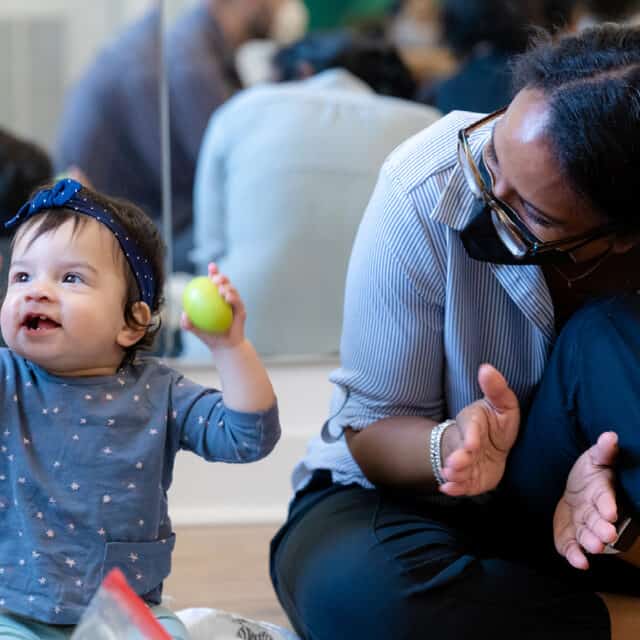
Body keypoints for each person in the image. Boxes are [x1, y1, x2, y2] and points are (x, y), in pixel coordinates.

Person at [270, 24, 640, 639]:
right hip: (407, 500)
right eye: (493, 155)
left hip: (588, 523)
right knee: (365, 600)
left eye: (533, 213)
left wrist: (616, 516)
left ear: (620, 233)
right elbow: (373, 427)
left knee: (608, 337)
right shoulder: (427, 180)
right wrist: (453, 444)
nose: (487, 195)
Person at [0, 178, 280, 638]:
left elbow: (247, 437)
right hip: (14, 610)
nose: (37, 291)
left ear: (133, 321)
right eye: (22, 276)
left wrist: (230, 348)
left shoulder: (161, 393)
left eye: (70, 278)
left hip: (126, 608)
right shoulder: (9, 379)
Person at [186, 32, 440, 357]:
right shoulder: (427, 126)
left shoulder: (241, 110)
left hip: (239, 342)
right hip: (386, 350)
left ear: (303, 71)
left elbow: (209, 253)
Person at [54, 0, 290, 272]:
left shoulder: (186, 44)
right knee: (264, 225)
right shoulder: (190, 63)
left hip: (136, 223)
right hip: (118, 242)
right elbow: (228, 180)